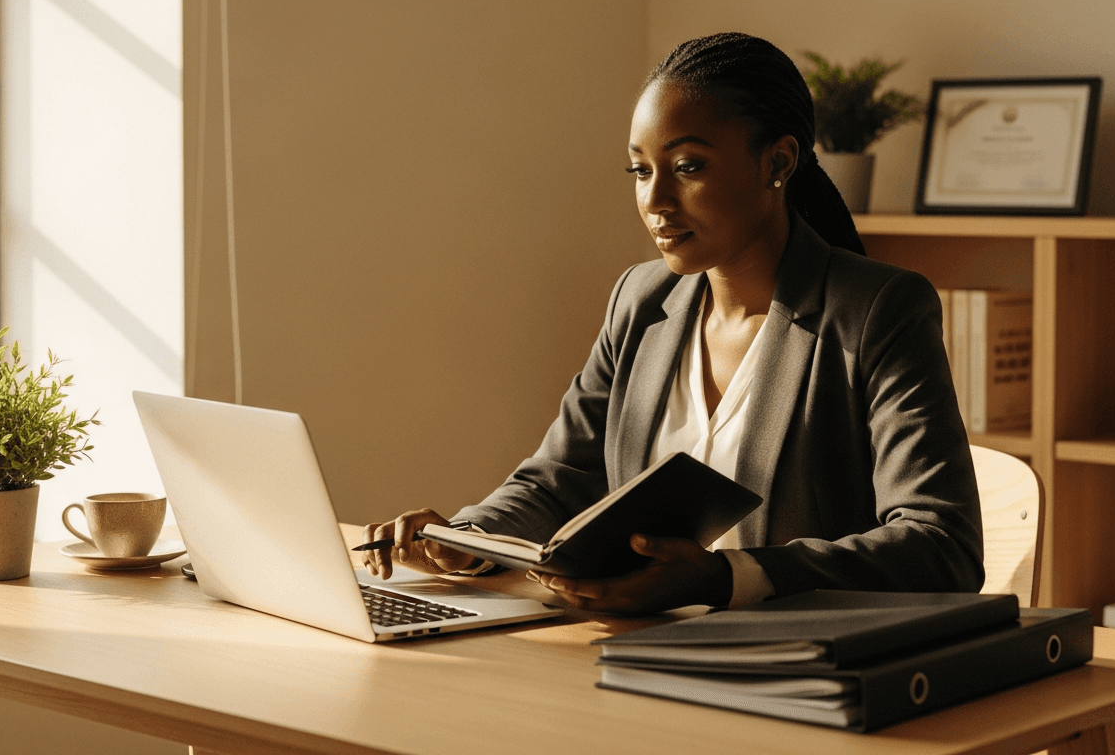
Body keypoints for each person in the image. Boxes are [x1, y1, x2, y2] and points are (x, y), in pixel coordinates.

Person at [362, 32, 984, 614]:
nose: (655, 200)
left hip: (793, 673)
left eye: (688, 167)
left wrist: (724, 578)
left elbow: (941, 544)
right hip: (631, 653)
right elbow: (564, 477)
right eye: (640, 170)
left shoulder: (879, 311)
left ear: (778, 162)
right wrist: (469, 536)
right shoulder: (641, 299)